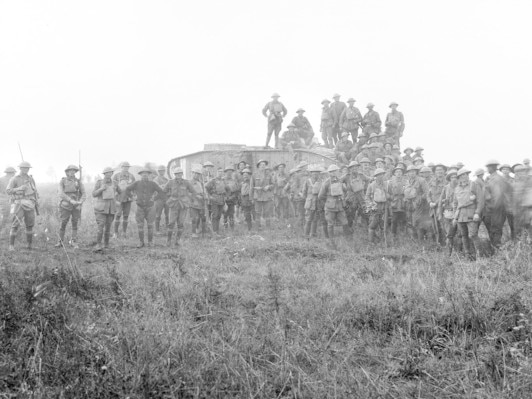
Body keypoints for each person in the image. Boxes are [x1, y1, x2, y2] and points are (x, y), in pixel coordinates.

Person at [125, 167, 164, 247]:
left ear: (149, 175)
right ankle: (141, 242)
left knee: (150, 225)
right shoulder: (137, 183)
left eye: (146, 175)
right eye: (143, 175)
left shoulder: (153, 184)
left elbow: (161, 192)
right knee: (140, 225)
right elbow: (127, 189)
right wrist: (133, 197)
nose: (145, 176)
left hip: (150, 208)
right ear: (140, 176)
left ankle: (150, 242)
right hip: (140, 207)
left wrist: (155, 198)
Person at [453, 168, 484, 260]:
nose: (463, 177)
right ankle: (468, 255)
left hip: (471, 214)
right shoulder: (457, 188)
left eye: (465, 174)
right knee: (464, 235)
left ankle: (479, 255)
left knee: (473, 235)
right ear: (458, 178)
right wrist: (455, 216)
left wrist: (477, 213)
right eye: (461, 176)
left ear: (468, 175)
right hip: (460, 215)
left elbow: (480, 200)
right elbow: (455, 203)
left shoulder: (474, 185)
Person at [6, 162, 39, 250]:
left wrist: (35, 201)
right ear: (20, 168)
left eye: (27, 168)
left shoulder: (31, 179)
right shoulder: (14, 179)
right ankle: (11, 246)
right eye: (24, 168)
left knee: (30, 224)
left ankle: (29, 245)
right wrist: (20, 188)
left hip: (30, 203)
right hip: (18, 203)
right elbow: (8, 191)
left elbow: (35, 191)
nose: (26, 169)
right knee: (15, 224)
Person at [163, 166, 196, 246]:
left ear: (182, 174)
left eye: (180, 173)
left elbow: (193, 192)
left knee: (180, 224)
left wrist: (189, 199)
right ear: (175, 174)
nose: (178, 175)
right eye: (177, 174)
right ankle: (168, 240)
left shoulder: (186, 182)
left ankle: (177, 241)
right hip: (173, 204)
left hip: (183, 205)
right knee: (171, 223)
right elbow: (164, 191)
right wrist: (169, 199)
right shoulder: (170, 182)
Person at [56, 165, 86, 248]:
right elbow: (61, 193)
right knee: (63, 223)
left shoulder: (78, 181)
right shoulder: (63, 181)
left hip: (76, 205)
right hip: (65, 205)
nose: (72, 172)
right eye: (70, 170)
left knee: (75, 223)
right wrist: (70, 200)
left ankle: (74, 241)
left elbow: (84, 193)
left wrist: (80, 201)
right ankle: (60, 241)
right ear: (67, 172)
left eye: (74, 171)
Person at [319, 164, 349, 247]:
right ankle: (331, 241)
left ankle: (348, 239)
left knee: (345, 222)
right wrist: (329, 199)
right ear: (330, 173)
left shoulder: (340, 181)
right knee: (330, 224)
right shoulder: (326, 182)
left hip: (340, 206)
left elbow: (345, 190)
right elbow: (320, 196)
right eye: (333, 171)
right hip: (330, 207)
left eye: (336, 171)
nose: (335, 173)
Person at [483, 160, 510, 249]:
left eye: (488, 167)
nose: (487, 169)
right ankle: (494, 248)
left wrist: (494, 208)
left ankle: (497, 249)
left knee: (496, 229)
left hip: (496, 208)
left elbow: (498, 195)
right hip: (491, 208)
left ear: (492, 167)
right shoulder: (491, 178)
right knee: (493, 229)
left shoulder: (497, 179)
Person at [92, 167, 120, 251]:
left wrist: (118, 201)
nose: (109, 174)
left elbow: (121, 192)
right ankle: (98, 244)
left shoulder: (115, 183)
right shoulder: (99, 182)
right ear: (104, 174)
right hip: (101, 209)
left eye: (110, 173)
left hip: (111, 208)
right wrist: (101, 189)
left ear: (112, 174)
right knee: (100, 227)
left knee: (108, 227)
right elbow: (94, 194)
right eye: (107, 173)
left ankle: (106, 245)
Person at [404, 165, 430, 240]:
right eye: (410, 172)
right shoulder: (407, 181)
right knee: (410, 221)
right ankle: (414, 239)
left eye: (413, 171)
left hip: (419, 205)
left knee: (417, 222)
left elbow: (427, 192)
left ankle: (420, 240)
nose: (411, 173)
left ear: (416, 172)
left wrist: (420, 198)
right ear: (408, 173)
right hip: (409, 204)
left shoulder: (421, 180)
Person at [343, 161, 370, 232]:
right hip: (351, 199)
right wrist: (344, 191)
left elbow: (369, 180)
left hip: (361, 198)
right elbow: (338, 182)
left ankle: (367, 230)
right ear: (350, 169)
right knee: (350, 215)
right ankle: (349, 231)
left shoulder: (361, 175)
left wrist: (365, 188)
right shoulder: (347, 177)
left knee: (365, 214)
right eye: (353, 167)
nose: (354, 168)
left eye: (356, 167)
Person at [365, 168, 389, 243]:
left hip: (384, 207)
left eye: (382, 175)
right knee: (372, 225)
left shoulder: (387, 184)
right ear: (376, 176)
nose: (380, 177)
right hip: (375, 208)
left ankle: (383, 241)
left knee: (384, 225)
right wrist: (371, 205)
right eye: (378, 175)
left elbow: (390, 195)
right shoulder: (371, 185)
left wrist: (388, 196)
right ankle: (371, 242)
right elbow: (367, 197)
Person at [439, 170, 460, 255]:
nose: (454, 179)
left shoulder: (460, 187)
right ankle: (449, 252)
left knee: (460, 233)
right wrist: (440, 214)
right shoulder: (446, 188)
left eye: (455, 177)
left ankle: (459, 251)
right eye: (452, 177)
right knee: (449, 234)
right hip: (448, 212)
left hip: (459, 212)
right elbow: (440, 201)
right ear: (449, 179)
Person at [113, 162, 135, 238]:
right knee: (118, 215)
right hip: (118, 198)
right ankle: (115, 233)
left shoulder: (131, 176)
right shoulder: (116, 176)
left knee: (126, 215)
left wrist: (133, 196)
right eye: (124, 167)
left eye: (127, 167)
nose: (126, 168)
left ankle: (124, 233)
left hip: (128, 198)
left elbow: (134, 187)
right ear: (121, 167)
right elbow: (113, 187)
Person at [427, 164, 447, 244]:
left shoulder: (447, 182)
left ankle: (446, 243)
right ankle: (438, 243)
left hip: (443, 207)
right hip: (433, 208)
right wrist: (430, 202)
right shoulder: (431, 182)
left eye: (441, 170)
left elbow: (445, 195)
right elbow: (428, 194)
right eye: (437, 170)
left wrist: (436, 203)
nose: (439, 171)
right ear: (435, 172)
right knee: (435, 226)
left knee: (443, 226)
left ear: (444, 171)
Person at [302, 165, 322, 238]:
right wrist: (307, 200)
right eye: (314, 173)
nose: (315, 175)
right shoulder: (307, 181)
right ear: (311, 173)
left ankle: (313, 234)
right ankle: (306, 235)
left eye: (317, 173)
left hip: (317, 203)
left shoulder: (321, 182)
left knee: (315, 219)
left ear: (319, 174)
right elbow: (304, 192)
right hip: (309, 203)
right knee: (308, 220)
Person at [253, 160, 274, 229]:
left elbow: (273, 184)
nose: (263, 166)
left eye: (264, 165)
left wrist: (269, 186)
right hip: (258, 196)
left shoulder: (269, 175)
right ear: (258, 166)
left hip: (266, 196)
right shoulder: (255, 175)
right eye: (261, 165)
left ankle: (268, 227)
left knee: (267, 211)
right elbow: (251, 186)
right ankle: (257, 227)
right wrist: (251, 197)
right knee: (257, 212)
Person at [387, 166, 407, 240]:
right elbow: (388, 193)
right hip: (394, 203)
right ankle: (393, 235)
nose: (398, 173)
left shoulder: (406, 182)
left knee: (404, 219)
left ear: (402, 173)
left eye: (400, 172)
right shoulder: (390, 183)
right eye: (397, 172)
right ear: (394, 173)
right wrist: (391, 198)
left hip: (403, 203)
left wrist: (405, 198)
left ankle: (403, 235)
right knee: (394, 220)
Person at [205, 168, 227, 234]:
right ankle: (214, 231)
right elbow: (206, 188)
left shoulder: (223, 181)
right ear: (217, 172)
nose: (220, 173)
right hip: (214, 200)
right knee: (215, 215)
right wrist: (210, 196)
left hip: (221, 200)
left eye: (221, 172)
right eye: (219, 172)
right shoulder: (213, 181)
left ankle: (217, 231)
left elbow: (227, 189)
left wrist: (226, 196)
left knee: (219, 215)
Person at [189, 167, 208, 238]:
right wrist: (196, 196)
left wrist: (205, 196)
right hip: (193, 202)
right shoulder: (189, 182)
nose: (197, 175)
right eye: (195, 174)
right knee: (194, 218)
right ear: (192, 173)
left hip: (201, 202)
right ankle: (193, 232)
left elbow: (204, 191)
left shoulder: (201, 182)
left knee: (203, 217)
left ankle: (203, 232)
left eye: (198, 174)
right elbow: (188, 193)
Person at [153, 165, 169, 234]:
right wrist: (163, 187)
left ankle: (168, 228)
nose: (161, 172)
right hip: (158, 199)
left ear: (164, 171)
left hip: (166, 198)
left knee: (167, 214)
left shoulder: (166, 179)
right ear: (158, 171)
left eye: (162, 171)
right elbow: (158, 188)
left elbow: (168, 188)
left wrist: (164, 187)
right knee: (158, 215)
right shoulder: (155, 179)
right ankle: (157, 230)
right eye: (160, 171)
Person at [223, 166, 239, 230]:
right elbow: (221, 190)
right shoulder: (222, 180)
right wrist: (225, 197)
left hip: (232, 200)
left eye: (230, 172)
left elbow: (236, 191)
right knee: (225, 214)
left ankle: (232, 228)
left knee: (231, 214)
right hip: (224, 200)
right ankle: (225, 228)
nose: (229, 173)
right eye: (228, 172)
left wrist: (232, 197)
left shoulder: (234, 181)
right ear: (225, 173)